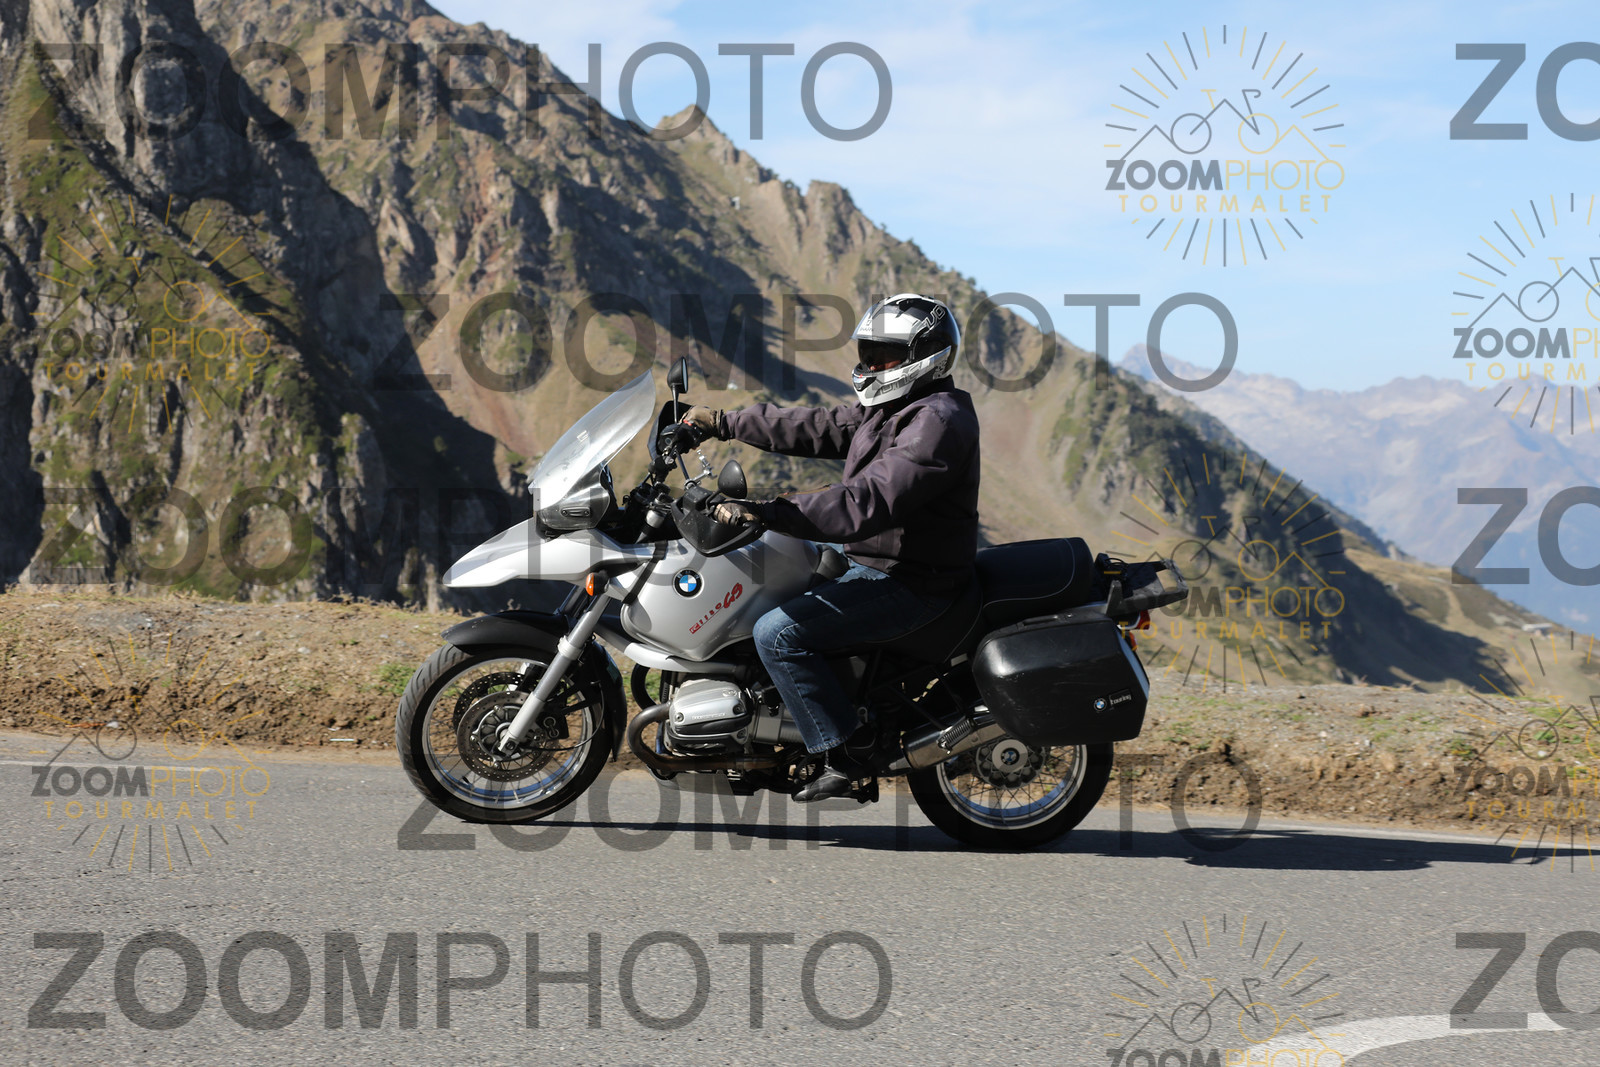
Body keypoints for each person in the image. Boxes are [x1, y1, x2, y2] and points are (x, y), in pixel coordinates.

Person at [675, 293, 981, 801]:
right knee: (767, 591)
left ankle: (848, 753)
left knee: (778, 634)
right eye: (868, 353)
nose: (871, 366)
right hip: (872, 560)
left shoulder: (937, 422)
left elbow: (868, 501)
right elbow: (818, 425)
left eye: (885, 357)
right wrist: (723, 423)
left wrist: (766, 511)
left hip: (912, 580)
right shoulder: (894, 407)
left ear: (925, 358)